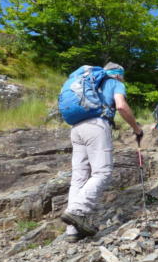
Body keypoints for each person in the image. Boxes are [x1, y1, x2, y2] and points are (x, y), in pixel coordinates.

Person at [60, 62, 143, 243]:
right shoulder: (115, 82)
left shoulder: (91, 82)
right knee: (102, 172)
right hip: (97, 125)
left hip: (76, 128)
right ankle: (76, 211)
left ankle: (72, 231)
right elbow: (121, 106)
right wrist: (136, 128)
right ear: (119, 74)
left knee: (79, 177)